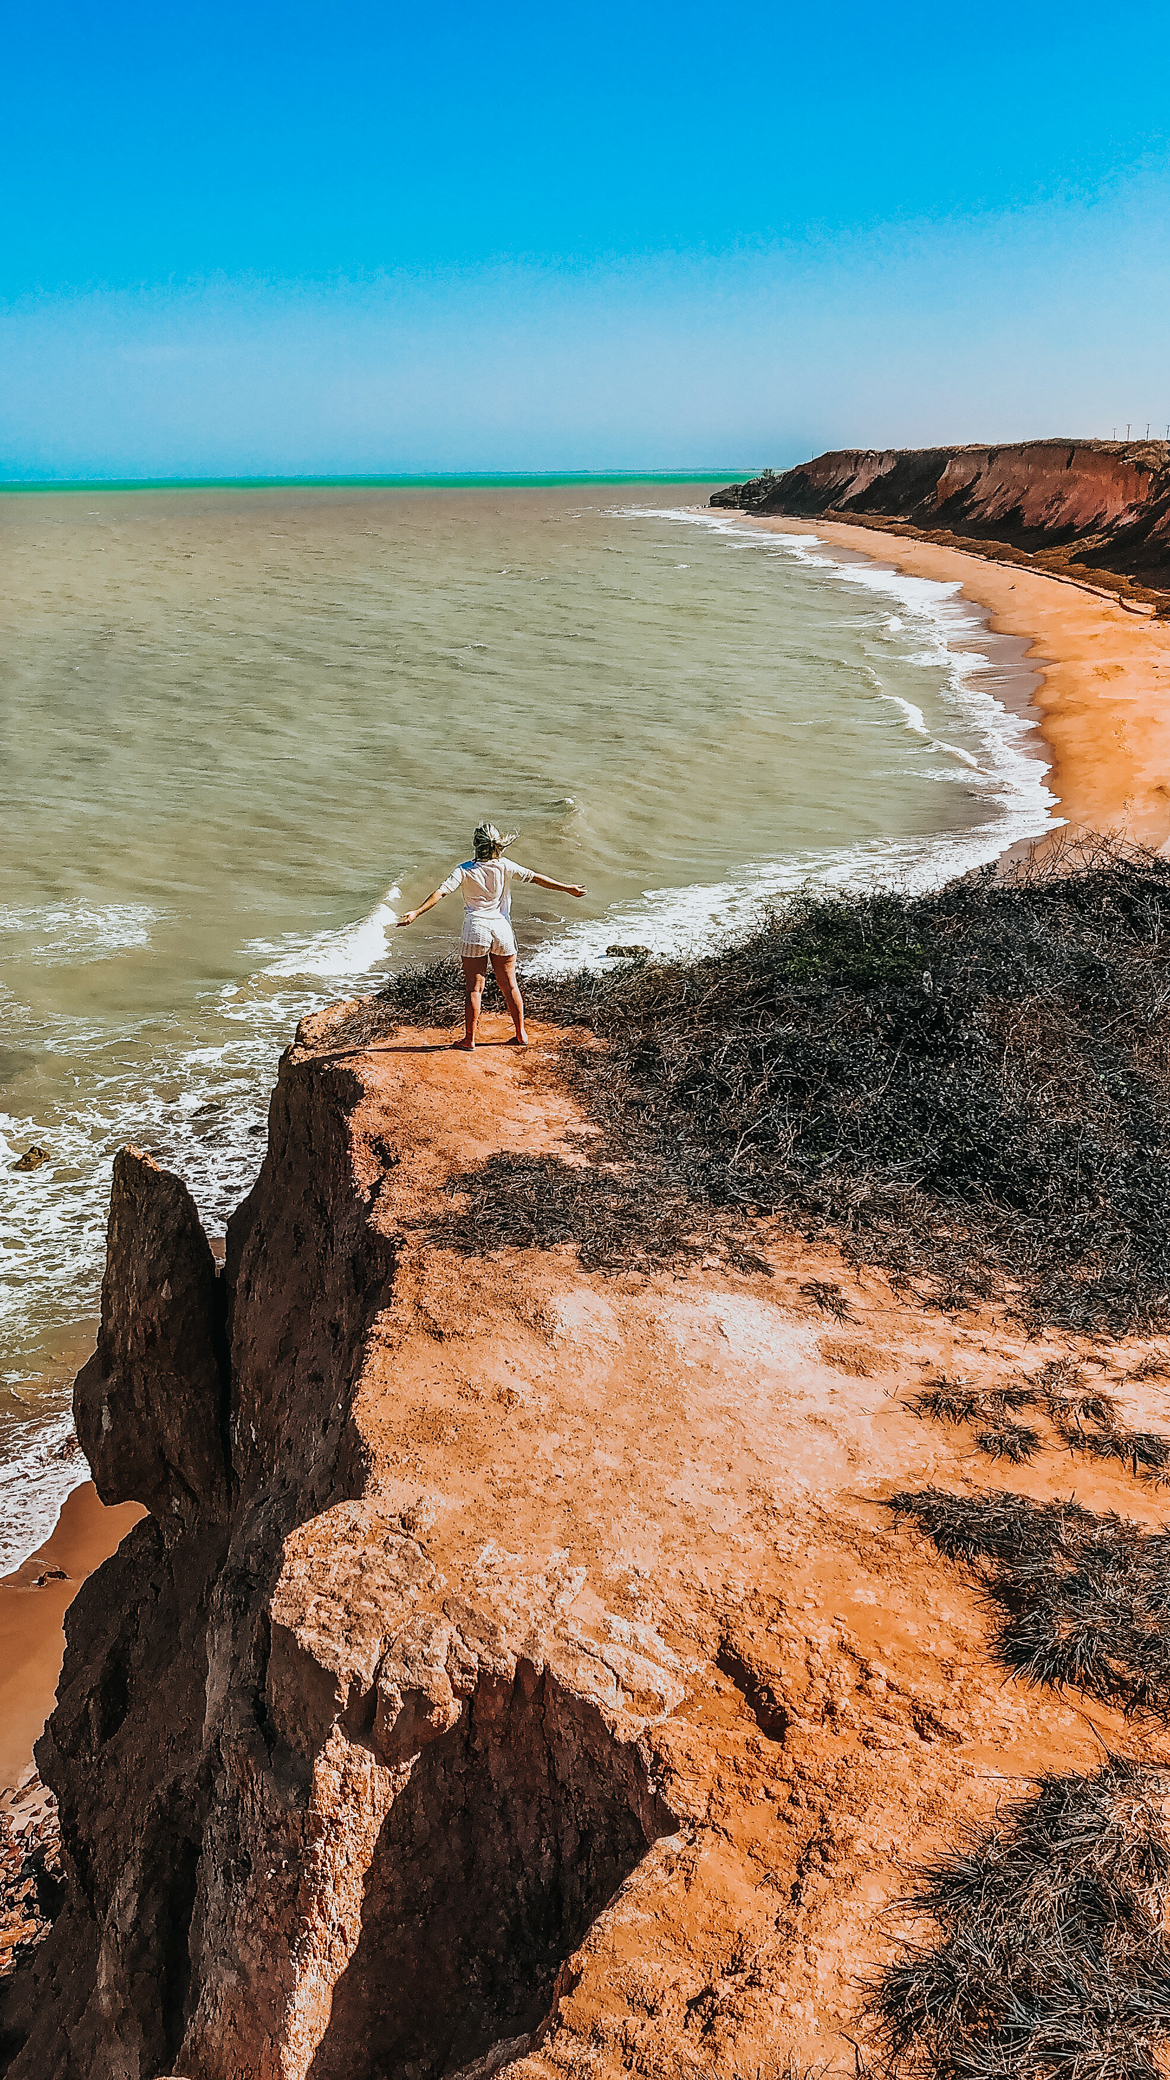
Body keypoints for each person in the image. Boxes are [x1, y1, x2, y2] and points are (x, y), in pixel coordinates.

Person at [396, 822, 586, 1049]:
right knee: (510, 986)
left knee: (474, 988)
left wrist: (416, 912)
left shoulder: (464, 869)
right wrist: (568, 888)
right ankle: (520, 1034)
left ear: (475, 844)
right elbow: (536, 878)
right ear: (498, 845)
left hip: (475, 930)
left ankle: (469, 1039)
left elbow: (441, 892)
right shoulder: (505, 866)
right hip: (502, 930)